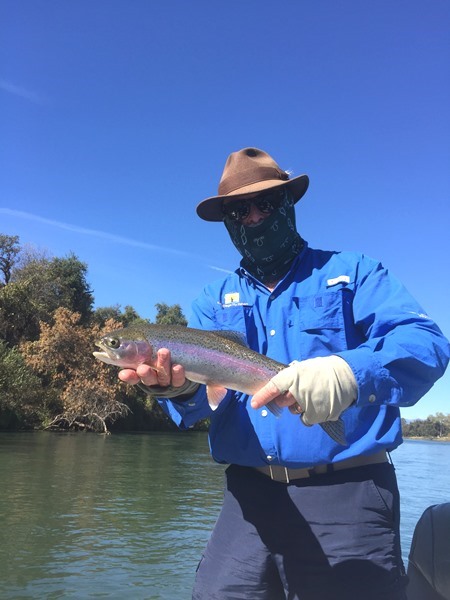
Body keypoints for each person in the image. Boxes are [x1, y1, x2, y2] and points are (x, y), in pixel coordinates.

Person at [119, 147, 450, 599]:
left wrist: (349, 373)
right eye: (239, 209)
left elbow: (426, 344)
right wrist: (176, 390)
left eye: (265, 203)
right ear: (228, 221)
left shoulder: (353, 273)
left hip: (349, 495)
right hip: (246, 501)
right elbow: (202, 406)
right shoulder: (211, 302)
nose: (253, 216)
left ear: (288, 204)